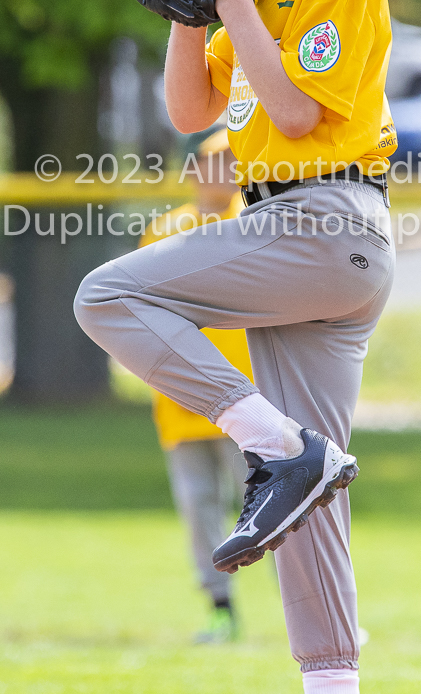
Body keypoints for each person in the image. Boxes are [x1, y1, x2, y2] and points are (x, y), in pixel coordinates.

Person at [75, 0, 397, 694]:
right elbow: (187, 109)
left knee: (110, 292)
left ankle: (279, 447)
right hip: (301, 245)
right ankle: (331, 679)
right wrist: (188, 5)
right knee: (306, 510)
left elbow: (296, 116)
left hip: (322, 219)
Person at [141, 126, 251, 644]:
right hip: (181, 396)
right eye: (217, 160)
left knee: (273, 509)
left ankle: (312, 612)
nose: (228, 169)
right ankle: (220, 610)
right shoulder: (164, 232)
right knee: (200, 506)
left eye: (236, 160)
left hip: (247, 398)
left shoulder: (253, 226)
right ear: (194, 170)